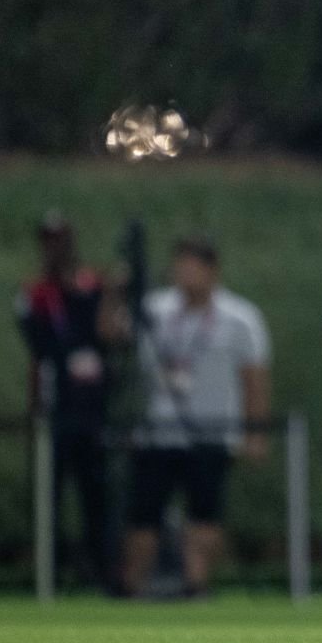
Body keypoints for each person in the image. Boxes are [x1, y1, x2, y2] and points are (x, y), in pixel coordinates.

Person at [115, 235, 271, 597]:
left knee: (204, 512)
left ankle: (195, 584)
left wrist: (255, 433)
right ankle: (133, 585)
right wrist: (116, 294)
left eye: (194, 266)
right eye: (180, 265)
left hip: (212, 432)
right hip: (159, 432)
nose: (185, 274)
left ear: (212, 271)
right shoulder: (153, 309)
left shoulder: (239, 317)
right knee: (144, 513)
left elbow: (255, 378)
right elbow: (112, 335)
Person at [15, 211, 116, 591]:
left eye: (61, 239)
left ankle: (102, 573)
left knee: (96, 493)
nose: (56, 248)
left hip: (92, 408)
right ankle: (49, 575)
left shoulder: (91, 285)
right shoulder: (35, 293)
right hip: (55, 405)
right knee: (48, 495)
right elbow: (39, 342)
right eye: (49, 240)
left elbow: (106, 334)